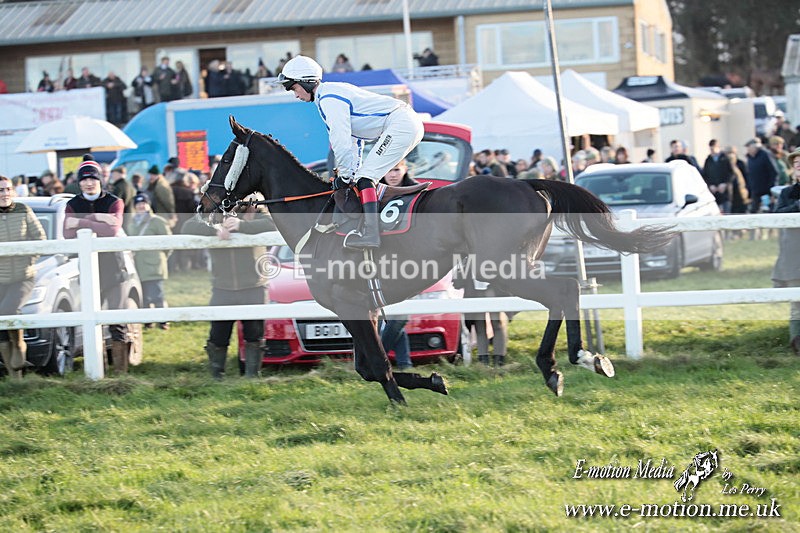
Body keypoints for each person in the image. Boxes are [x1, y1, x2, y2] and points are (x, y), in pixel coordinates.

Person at [278, 55, 424, 249]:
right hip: (403, 123)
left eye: (293, 88)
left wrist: (346, 175)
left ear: (306, 82)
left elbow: (341, 141)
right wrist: (350, 174)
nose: (295, 95)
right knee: (362, 178)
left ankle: (371, 235)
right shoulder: (327, 97)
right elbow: (355, 142)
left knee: (366, 178)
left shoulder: (329, 99)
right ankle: (374, 225)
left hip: (401, 124)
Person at [181, 201, 276, 378]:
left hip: (253, 285)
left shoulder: (254, 208)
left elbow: (273, 224)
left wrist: (242, 226)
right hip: (222, 287)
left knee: (254, 334)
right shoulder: (211, 212)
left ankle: (252, 376)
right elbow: (187, 226)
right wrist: (214, 230)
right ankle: (217, 376)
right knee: (218, 335)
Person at [63, 156, 132, 374]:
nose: (89, 183)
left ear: (100, 179)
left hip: (114, 267)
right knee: (93, 321)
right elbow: (67, 233)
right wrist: (99, 219)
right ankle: (97, 371)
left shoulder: (114, 201)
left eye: (93, 178)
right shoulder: (72, 204)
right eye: (84, 179)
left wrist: (83, 220)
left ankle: (121, 373)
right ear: (79, 182)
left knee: (117, 321)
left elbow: (112, 231)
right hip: (89, 271)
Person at [0, 175, 47, 378]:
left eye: (7, 189)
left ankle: (20, 344)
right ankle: (15, 378)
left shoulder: (23, 210)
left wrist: (30, 258)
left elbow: (40, 238)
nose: (4, 194)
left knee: (9, 310)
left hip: (23, 276)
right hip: (0, 278)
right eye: (0, 190)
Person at [127, 193, 172, 330]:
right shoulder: (132, 223)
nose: (141, 206)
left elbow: (168, 242)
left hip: (154, 265)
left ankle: (163, 321)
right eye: (138, 204)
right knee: (144, 296)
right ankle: (148, 321)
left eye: (144, 203)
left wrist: (160, 257)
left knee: (157, 295)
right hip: (138, 265)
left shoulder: (157, 221)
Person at [772, 147, 800, 355]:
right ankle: (797, 343)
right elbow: (777, 216)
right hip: (793, 258)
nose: (798, 167)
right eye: (796, 164)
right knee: (797, 302)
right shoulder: (787, 193)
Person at [702, 139, 734, 213]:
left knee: (727, 213)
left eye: (714, 148)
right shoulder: (708, 160)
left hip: (725, 191)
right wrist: (710, 185)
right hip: (714, 192)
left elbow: (731, 173)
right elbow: (705, 175)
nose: (712, 150)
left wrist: (725, 184)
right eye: (711, 149)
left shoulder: (726, 158)